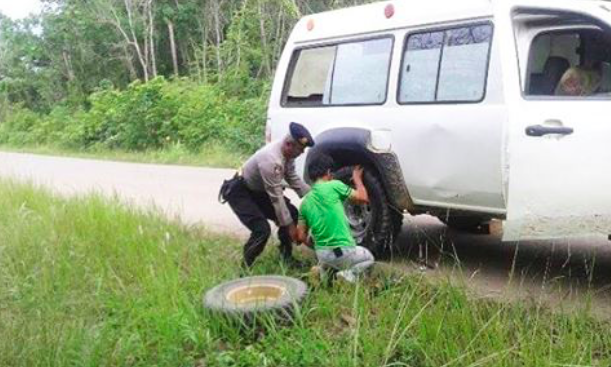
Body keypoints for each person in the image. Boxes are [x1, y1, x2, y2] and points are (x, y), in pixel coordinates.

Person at [219, 122, 314, 268]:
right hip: (240, 191)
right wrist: (289, 227)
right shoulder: (271, 159)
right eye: (300, 149)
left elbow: (292, 178)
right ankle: (245, 267)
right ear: (289, 144)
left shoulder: (287, 153)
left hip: (259, 191)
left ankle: (286, 258)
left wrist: (315, 195)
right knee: (261, 230)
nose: (301, 153)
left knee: (292, 214)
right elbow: (276, 197)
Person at [296, 154, 375, 283]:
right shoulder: (334, 185)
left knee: (329, 261)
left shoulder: (305, 203)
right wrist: (357, 179)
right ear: (328, 172)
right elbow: (363, 197)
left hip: (322, 254)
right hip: (344, 251)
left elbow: (300, 236)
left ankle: (322, 270)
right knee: (369, 259)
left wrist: (316, 245)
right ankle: (348, 276)